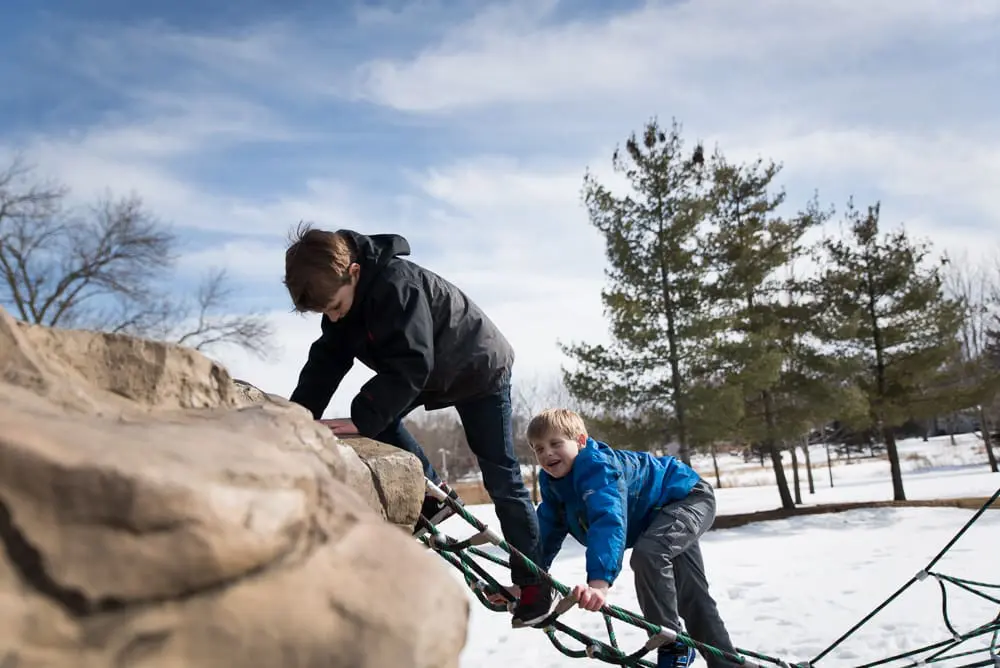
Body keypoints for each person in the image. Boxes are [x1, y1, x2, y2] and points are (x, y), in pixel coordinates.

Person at [282, 223, 549, 626]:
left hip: (479, 368)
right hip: (434, 370)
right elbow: (326, 362)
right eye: (326, 314)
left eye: (335, 306)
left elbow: (412, 364)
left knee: (501, 476)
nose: (334, 317)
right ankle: (436, 495)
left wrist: (360, 419)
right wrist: (296, 416)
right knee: (370, 411)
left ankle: (534, 585)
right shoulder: (343, 307)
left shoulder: (395, 285)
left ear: (353, 273)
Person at [527, 408, 738, 668]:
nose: (547, 453)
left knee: (649, 555)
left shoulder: (598, 468)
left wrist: (599, 584)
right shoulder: (553, 485)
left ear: (580, 441)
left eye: (555, 443)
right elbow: (545, 533)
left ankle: (671, 642)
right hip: (658, 516)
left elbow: (608, 521)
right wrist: (526, 580)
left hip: (686, 497)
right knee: (692, 595)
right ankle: (727, 663)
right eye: (538, 448)